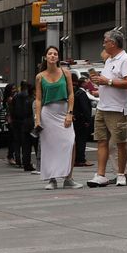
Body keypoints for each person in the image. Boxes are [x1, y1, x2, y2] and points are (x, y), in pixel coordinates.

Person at [87, 30, 127, 188]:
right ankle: (100, 174)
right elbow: (108, 81)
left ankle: (121, 174)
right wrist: (99, 82)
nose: (103, 44)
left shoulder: (126, 60)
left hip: (117, 109)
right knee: (101, 141)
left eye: (105, 41)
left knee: (121, 143)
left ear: (113, 43)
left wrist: (108, 82)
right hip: (103, 106)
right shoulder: (109, 60)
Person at [34, 45, 78, 189]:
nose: (53, 56)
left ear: (58, 57)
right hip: (48, 113)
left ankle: (68, 178)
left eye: (55, 54)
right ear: (45, 57)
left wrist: (70, 114)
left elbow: (71, 94)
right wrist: (37, 119)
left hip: (63, 111)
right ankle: (52, 179)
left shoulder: (66, 73)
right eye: (50, 54)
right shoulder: (40, 77)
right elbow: (39, 100)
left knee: (70, 142)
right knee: (50, 147)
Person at [5, 81, 36, 173]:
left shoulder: (16, 96)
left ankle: (20, 161)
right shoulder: (31, 98)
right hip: (28, 121)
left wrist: (12, 117)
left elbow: (12, 108)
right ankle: (33, 163)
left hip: (17, 121)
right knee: (32, 143)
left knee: (18, 142)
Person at [71, 71, 94, 167]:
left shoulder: (78, 93)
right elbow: (85, 108)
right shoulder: (82, 94)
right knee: (81, 141)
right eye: (86, 82)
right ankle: (81, 159)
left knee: (78, 140)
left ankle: (77, 159)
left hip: (78, 120)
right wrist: (88, 120)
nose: (88, 84)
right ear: (83, 84)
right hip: (82, 121)